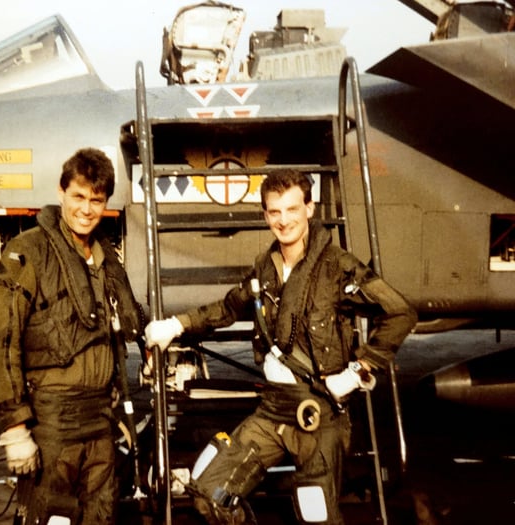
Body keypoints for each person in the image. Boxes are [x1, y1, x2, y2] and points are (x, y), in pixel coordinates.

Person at [145, 168, 417, 524]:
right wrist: (177, 324)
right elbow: (229, 307)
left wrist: (357, 372)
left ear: (310, 208)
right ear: (265, 215)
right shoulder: (265, 269)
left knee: (316, 516)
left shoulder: (337, 268)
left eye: (292, 209)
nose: (283, 220)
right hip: (273, 409)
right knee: (210, 494)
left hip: (319, 413)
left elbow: (400, 312)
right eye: (275, 212)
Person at [0, 147, 143, 525]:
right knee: (49, 515)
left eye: (96, 201)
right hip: (52, 422)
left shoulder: (106, 257)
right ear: (61, 192)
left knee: (101, 515)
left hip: (100, 420)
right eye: (78, 197)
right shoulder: (29, 252)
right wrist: (15, 429)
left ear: (106, 203)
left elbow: (120, 324)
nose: (86, 209)